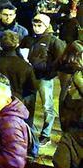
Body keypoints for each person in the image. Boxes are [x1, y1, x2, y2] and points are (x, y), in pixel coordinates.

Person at [21, 13, 65, 147]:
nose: (36, 28)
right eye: (34, 25)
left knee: (47, 106)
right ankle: (28, 132)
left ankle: (46, 134)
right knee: (28, 104)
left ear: (46, 26)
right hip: (30, 76)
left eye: (39, 25)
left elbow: (60, 60)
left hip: (45, 78)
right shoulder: (28, 39)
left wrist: (48, 70)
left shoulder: (53, 41)